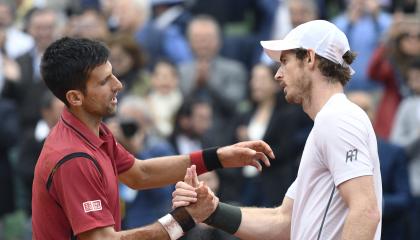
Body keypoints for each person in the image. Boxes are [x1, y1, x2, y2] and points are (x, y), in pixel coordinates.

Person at [31, 37, 275, 239]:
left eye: (112, 74)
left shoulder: (90, 129)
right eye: (105, 81)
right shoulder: (74, 158)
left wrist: (218, 157)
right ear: (75, 98)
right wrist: (184, 219)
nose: (118, 85)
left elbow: (140, 174)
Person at [172, 20, 382, 239]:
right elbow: (283, 221)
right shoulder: (330, 121)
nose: (278, 74)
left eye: (285, 61)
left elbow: (365, 211)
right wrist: (211, 211)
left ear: (309, 58)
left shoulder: (338, 118)